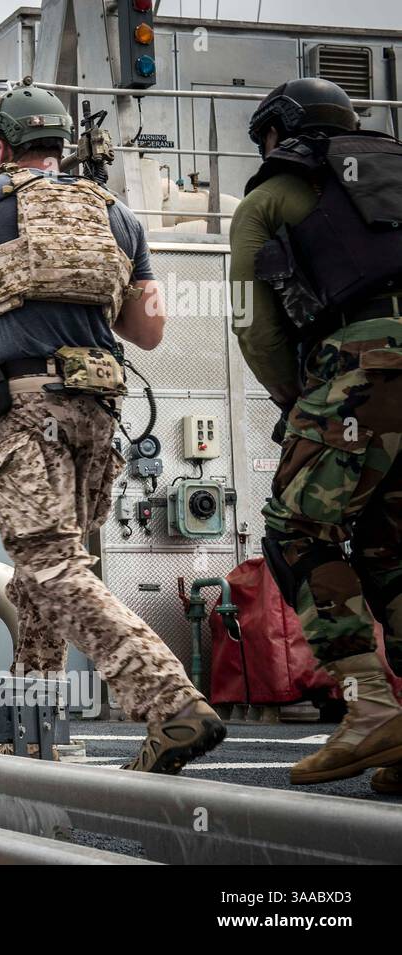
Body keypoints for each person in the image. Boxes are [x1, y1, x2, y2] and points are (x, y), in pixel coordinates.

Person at [0, 78, 225, 774]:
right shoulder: (120, 215)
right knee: (36, 578)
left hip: (29, 405)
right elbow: (148, 330)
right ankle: (32, 730)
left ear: (0, 146)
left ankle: (169, 701)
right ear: (61, 145)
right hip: (99, 411)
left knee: (49, 563)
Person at [229, 77, 402, 793]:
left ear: (278, 132)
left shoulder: (269, 197)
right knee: (392, 545)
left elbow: (252, 320)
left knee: (296, 524)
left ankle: (369, 706)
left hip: (362, 366)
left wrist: (295, 398)